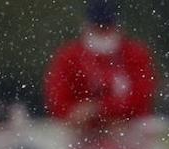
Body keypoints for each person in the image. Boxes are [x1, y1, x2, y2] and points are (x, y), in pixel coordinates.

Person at [44, 0, 157, 133]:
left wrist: (101, 109)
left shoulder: (135, 54)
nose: (103, 34)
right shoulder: (70, 56)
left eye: (107, 28)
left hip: (127, 129)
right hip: (79, 131)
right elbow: (57, 98)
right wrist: (79, 114)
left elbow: (143, 96)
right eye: (98, 28)